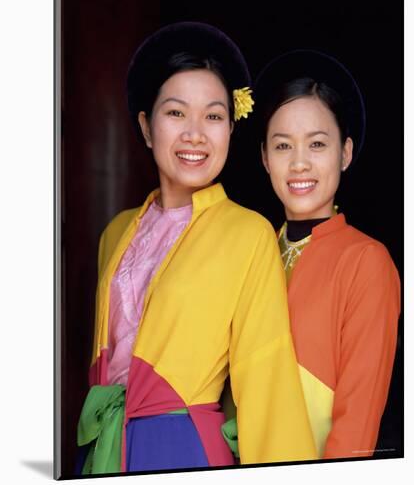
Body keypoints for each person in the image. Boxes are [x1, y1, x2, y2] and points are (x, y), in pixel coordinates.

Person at [75, 24, 317, 475]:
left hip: (183, 450)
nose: (195, 134)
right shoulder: (116, 232)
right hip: (100, 447)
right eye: (175, 113)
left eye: (213, 116)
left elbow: (267, 378)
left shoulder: (248, 234)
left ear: (230, 127)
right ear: (147, 127)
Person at [222, 49, 400, 460]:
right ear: (265, 158)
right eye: (283, 146)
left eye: (317, 144)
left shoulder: (366, 262)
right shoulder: (251, 249)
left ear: (346, 153)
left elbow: (356, 424)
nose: (299, 163)